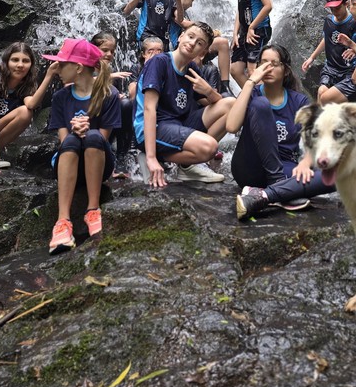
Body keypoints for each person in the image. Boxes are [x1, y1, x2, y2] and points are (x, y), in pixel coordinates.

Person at [226, 42, 336, 220]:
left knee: (335, 175)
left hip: (285, 166)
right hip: (249, 166)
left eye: (274, 64)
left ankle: (266, 194)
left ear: (285, 71)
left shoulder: (298, 101)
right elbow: (231, 127)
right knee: (261, 105)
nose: (267, 68)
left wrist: (306, 162)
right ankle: (281, 189)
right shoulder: (252, 93)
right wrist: (250, 82)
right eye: (263, 63)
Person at [134, 21, 234, 187]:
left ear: (203, 51)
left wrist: (208, 90)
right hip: (153, 127)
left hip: (178, 124)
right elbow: (149, 108)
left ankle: (186, 165)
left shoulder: (191, 68)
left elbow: (217, 103)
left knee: (231, 104)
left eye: (199, 43)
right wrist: (151, 158)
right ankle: (155, 155)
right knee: (210, 147)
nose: (192, 43)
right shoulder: (159, 62)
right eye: (190, 36)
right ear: (181, 36)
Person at [44, 38, 122, 253]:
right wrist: (75, 131)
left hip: (98, 163)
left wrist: (86, 130)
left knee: (94, 136)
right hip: (69, 162)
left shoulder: (109, 95)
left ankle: (93, 209)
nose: (57, 68)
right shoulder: (60, 97)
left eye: (62, 64)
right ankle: (62, 221)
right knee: (71, 139)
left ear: (78, 68)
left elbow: (103, 139)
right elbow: (64, 141)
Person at [0, 42, 60, 174]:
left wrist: (49, 75)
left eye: (25, 61)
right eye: (15, 60)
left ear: (31, 65)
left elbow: (31, 105)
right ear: (6, 62)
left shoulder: (27, 85)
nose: (20, 65)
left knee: (26, 113)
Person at [169, 0, 232, 93]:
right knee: (221, 43)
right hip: (179, 46)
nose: (191, 5)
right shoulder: (175, 6)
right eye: (192, 0)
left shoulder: (184, 11)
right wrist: (208, 30)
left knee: (223, 43)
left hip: (191, 45)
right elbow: (182, 22)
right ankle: (224, 87)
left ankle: (225, 86)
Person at [301, 0, 356, 105]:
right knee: (321, 91)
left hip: (348, 70)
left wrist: (354, 50)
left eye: (337, 8)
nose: (335, 12)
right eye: (332, 9)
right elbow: (326, 39)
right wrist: (312, 58)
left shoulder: (354, 23)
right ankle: (319, 116)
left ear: (346, 4)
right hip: (331, 68)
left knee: (327, 99)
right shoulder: (328, 21)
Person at [226, 0, 273, 87]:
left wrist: (252, 26)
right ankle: (251, 97)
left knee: (253, 71)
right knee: (235, 69)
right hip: (245, 32)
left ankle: (264, 99)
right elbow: (240, 9)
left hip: (258, 30)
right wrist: (235, 33)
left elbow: (268, 5)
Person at [91, 31, 134, 168]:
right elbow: (80, 84)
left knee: (126, 105)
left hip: (108, 122)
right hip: (89, 120)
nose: (109, 54)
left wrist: (118, 97)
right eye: (105, 50)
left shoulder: (111, 71)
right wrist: (109, 77)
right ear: (93, 49)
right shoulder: (85, 68)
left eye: (112, 51)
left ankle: (122, 155)